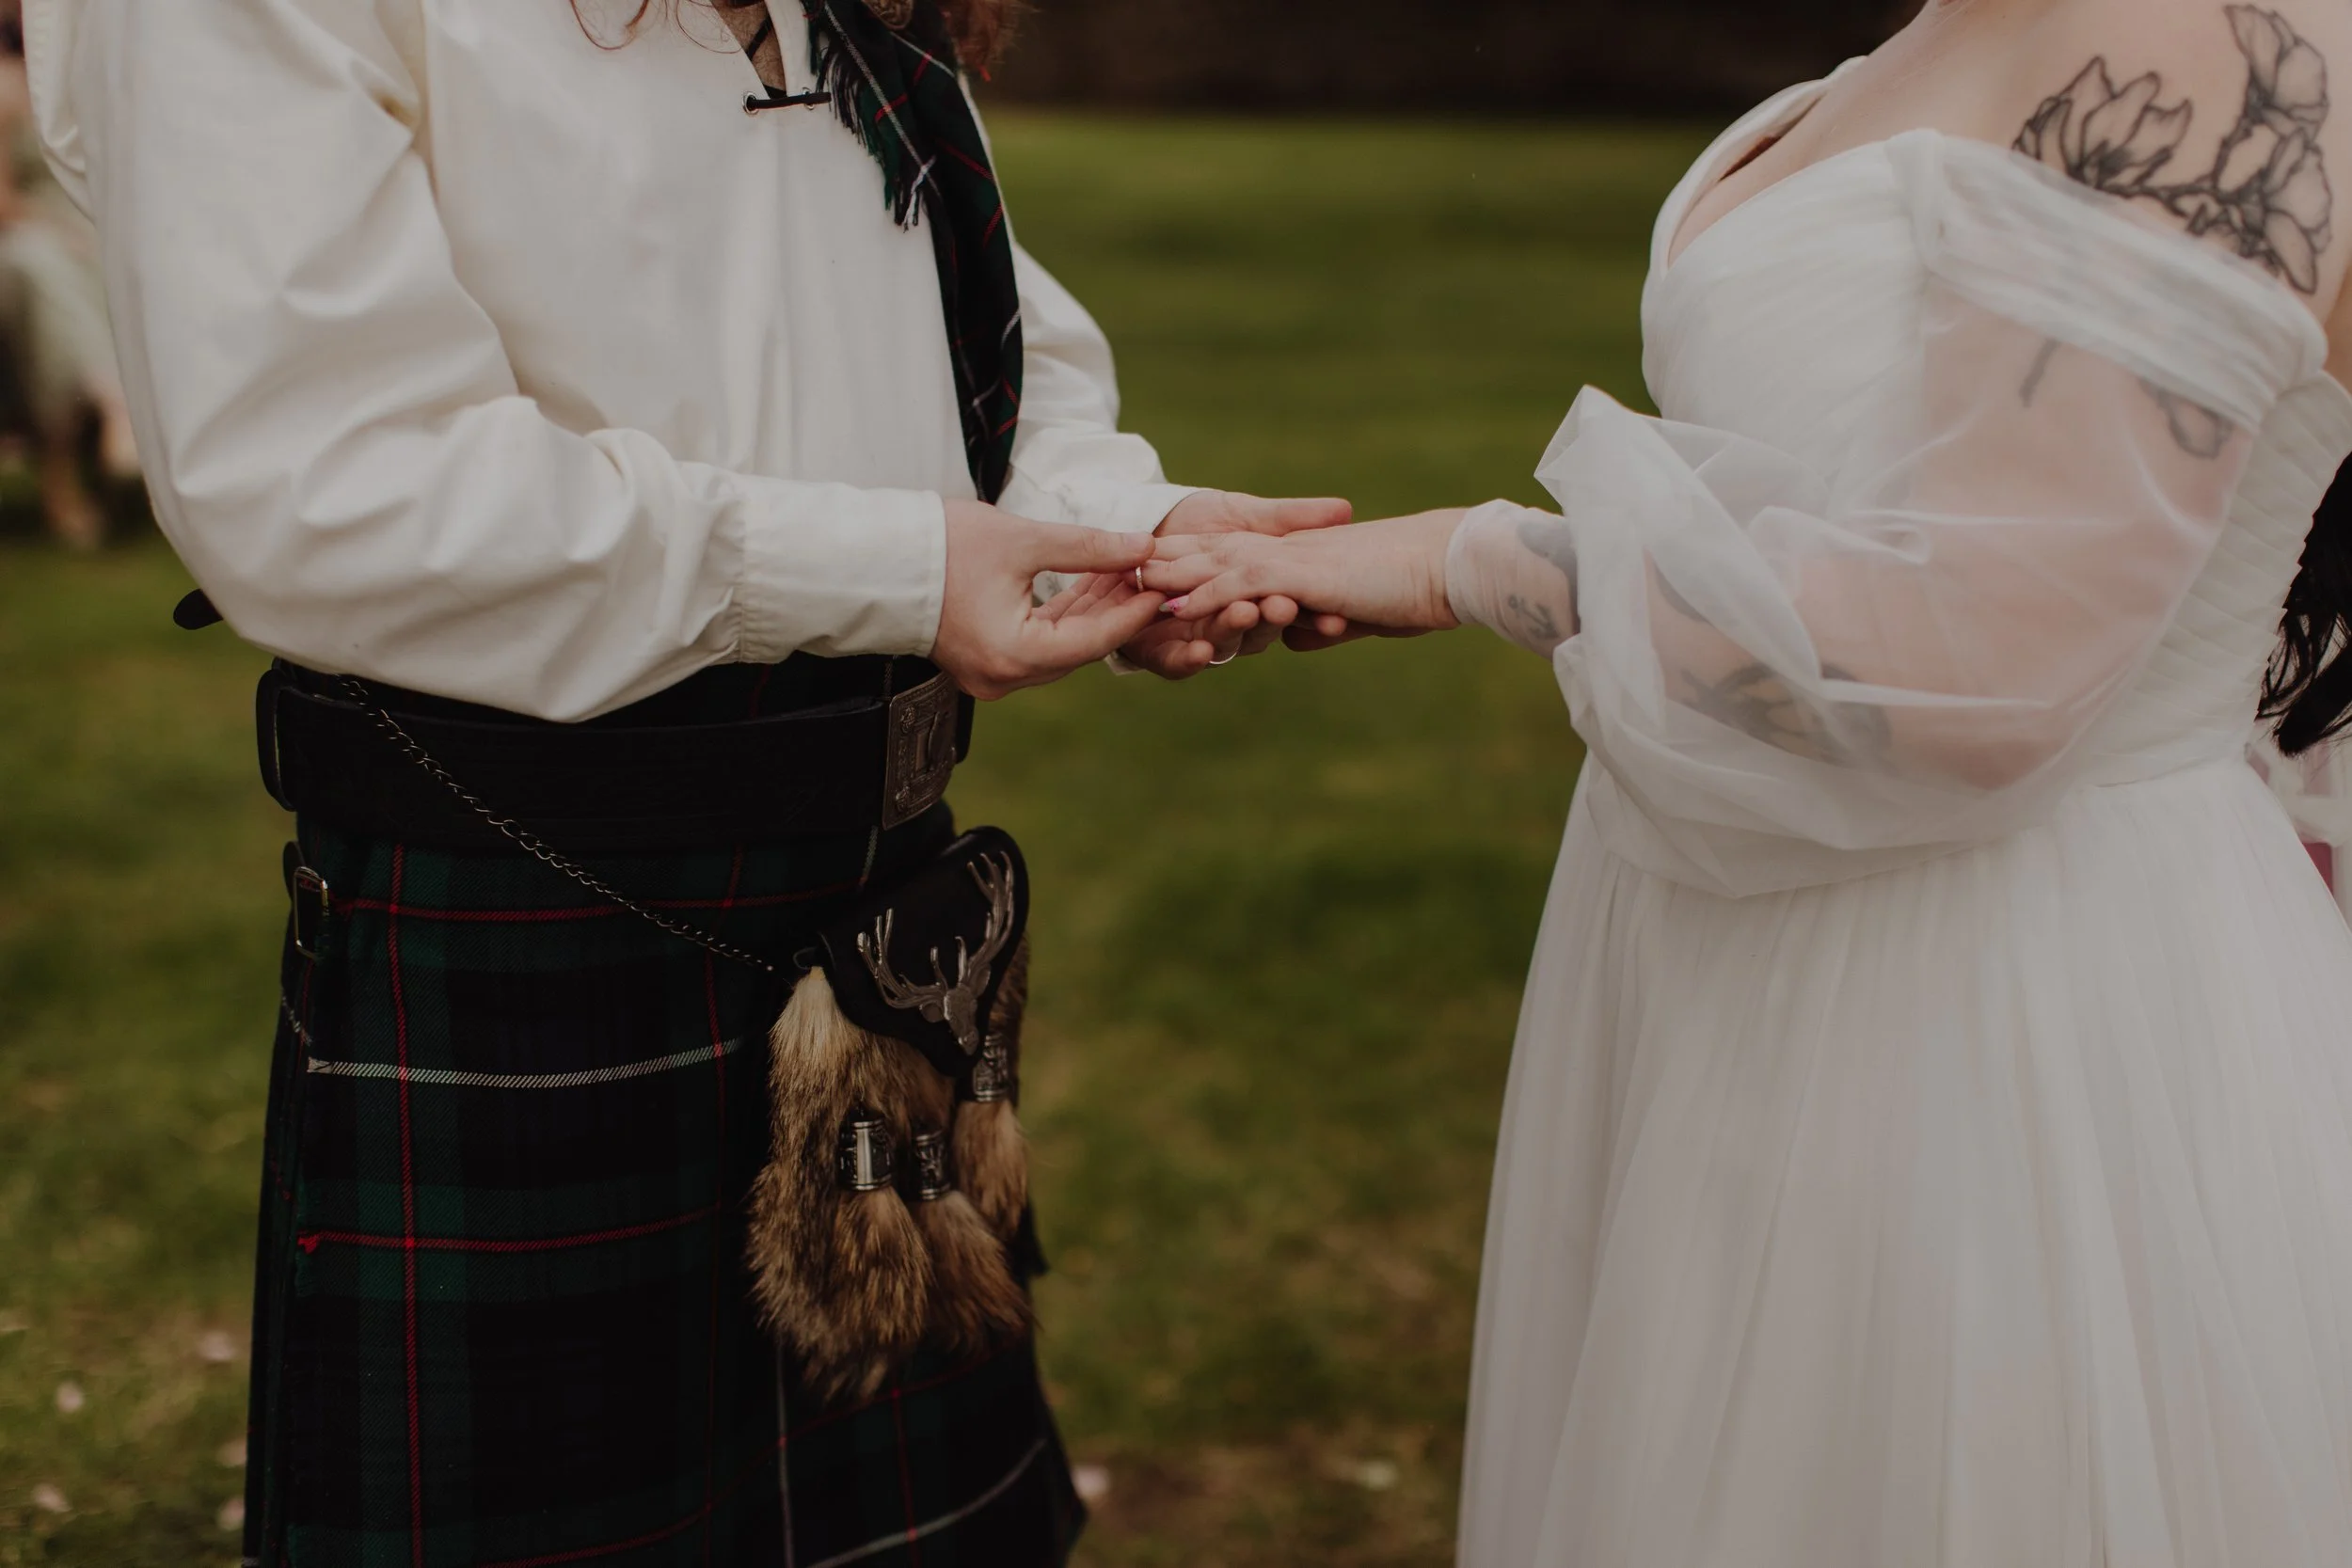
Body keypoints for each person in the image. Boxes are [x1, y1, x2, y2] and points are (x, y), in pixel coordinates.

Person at [22, 0, 1343, 1562]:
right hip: (526, 928)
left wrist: (1128, 534)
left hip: (872, 921)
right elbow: (324, 483)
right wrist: (904, 570)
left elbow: (975, 341)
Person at [1148, 0, 2352, 1560]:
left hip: (2004, 999)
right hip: (1726, 940)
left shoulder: (2190, 33)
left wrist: (1469, 560)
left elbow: (1978, 666)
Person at [0, 0, 133, 550]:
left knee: (100, 261)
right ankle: (112, 404)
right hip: (29, 232)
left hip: (92, 229)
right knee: (39, 267)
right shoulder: (4, 87)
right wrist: (62, 232)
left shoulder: (96, 75)